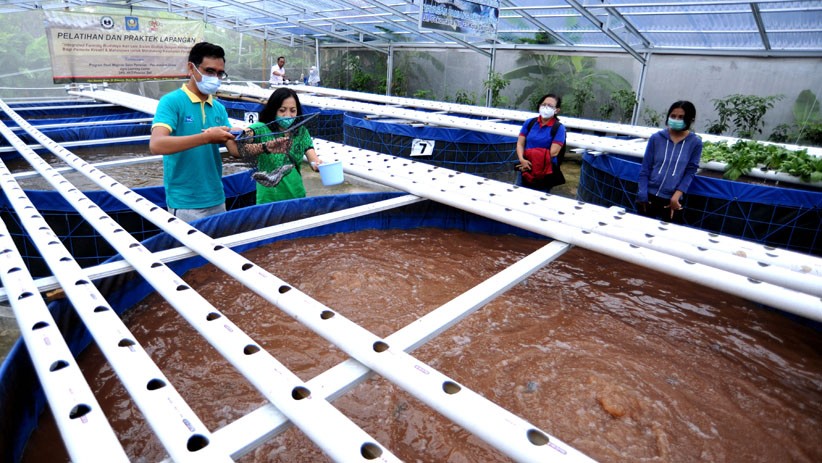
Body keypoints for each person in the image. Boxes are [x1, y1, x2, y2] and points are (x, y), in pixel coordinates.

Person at [149, 42, 239, 223]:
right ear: (191, 68)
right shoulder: (172, 102)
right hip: (185, 203)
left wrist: (265, 145)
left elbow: (235, 150)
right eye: (209, 71)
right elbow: (157, 144)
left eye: (220, 73)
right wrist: (206, 138)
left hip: (217, 197)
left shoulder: (218, 107)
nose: (215, 77)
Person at [240, 87, 321, 204]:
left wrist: (319, 165)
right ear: (273, 110)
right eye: (282, 110)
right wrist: (244, 134)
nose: (287, 115)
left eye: (293, 110)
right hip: (268, 199)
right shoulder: (261, 129)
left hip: (296, 195)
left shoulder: (301, 131)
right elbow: (242, 143)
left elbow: (313, 159)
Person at [636, 100, 703, 223]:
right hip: (648, 197)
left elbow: (690, 171)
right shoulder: (656, 138)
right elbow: (645, 168)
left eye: (681, 117)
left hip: (672, 200)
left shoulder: (695, 143)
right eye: (673, 116)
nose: (676, 119)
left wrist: (676, 197)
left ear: (690, 119)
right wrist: (642, 193)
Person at [515, 93, 567, 193]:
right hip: (526, 167)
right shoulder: (529, 123)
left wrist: (531, 158)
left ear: (557, 110)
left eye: (550, 106)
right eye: (543, 104)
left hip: (544, 171)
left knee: (539, 199)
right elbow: (520, 143)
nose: (545, 107)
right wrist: (522, 159)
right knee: (519, 195)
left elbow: (554, 152)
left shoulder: (559, 128)